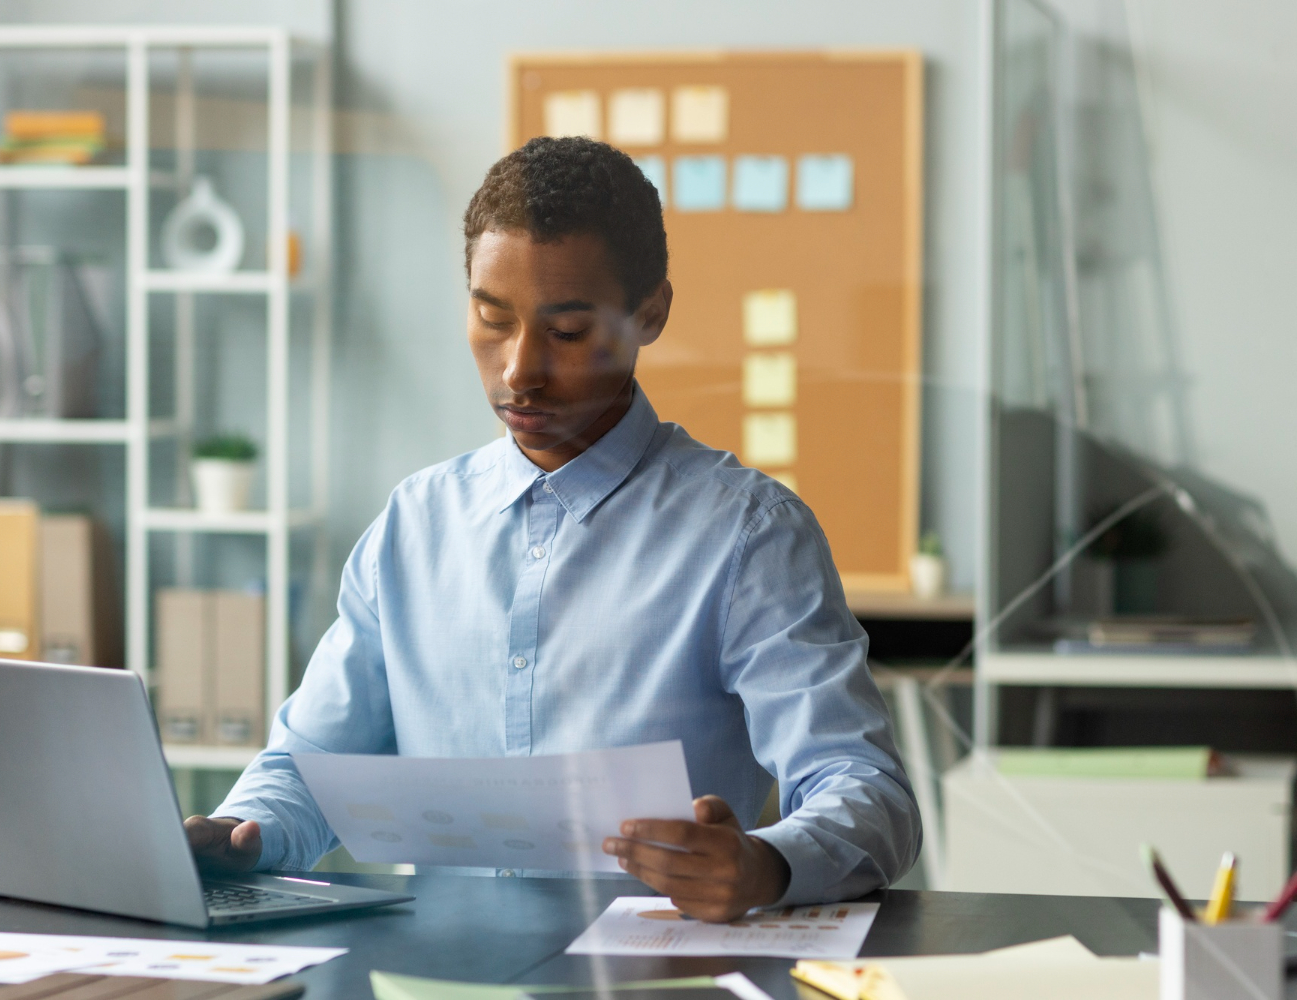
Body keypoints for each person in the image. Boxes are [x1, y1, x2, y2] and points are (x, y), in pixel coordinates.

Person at [185, 136, 921, 921]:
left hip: (655, 979)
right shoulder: (414, 526)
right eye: (491, 319)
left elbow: (865, 788)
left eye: (567, 333)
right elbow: (313, 764)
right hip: (443, 977)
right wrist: (239, 831)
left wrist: (767, 864)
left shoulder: (749, 536)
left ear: (651, 313)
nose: (519, 371)